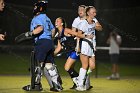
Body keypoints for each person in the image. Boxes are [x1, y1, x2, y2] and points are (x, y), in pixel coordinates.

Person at [15, 1, 63, 92]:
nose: (34, 8)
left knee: (38, 64)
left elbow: (40, 28)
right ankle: (57, 85)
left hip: (41, 42)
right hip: (49, 43)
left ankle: (36, 86)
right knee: (49, 65)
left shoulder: (37, 17)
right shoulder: (47, 18)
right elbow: (53, 30)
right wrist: (49, 39)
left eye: (35, 7)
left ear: (40, 8)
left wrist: (28, 34)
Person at [54, 17, 93, 90]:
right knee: (71, 69)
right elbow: (59, 48)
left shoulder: (66, 30)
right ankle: (78, 83)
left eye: (57, 21)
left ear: (62, 23)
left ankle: (79, 83)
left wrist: (86, 36)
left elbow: (77, 34)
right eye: (55, 21)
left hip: (74, 51)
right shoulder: (58, 35)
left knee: (66, 67)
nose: (56, 22)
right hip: (68, 53)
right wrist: (52, 54)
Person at [76, 6, 102, 91]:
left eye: (95, 12)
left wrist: (95, 26)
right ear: (88, 13)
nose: (95, 14)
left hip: (92, 46)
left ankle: (84, 78)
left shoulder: (94, 21)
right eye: (93, 12)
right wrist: (87, 36)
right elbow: (78, 34)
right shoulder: (84, 23)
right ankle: (79, 85)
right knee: (85, 65)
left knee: (92, 66)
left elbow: (100, 28)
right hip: (85, 45)